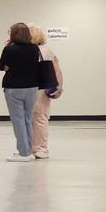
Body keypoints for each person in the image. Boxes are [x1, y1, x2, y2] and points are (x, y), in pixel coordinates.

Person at [0, 21, 45, 161]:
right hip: (32, 87)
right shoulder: (34, 48)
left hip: (14, 87)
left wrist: (9, 65)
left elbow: (0, 66)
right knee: (27, 119)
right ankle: (28, 150)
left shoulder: (9, 49)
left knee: (18, 120)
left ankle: (24, 153)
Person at [31, 29, 64, 159]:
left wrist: (59, 87)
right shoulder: (48, 51)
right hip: (42, 88)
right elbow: (57, 71)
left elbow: (56, 70)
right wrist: (59, 88)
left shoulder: (41, 51)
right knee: (40, 117)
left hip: (36, 88)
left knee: (37, 118)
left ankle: (39, 148)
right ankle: (39, 148)